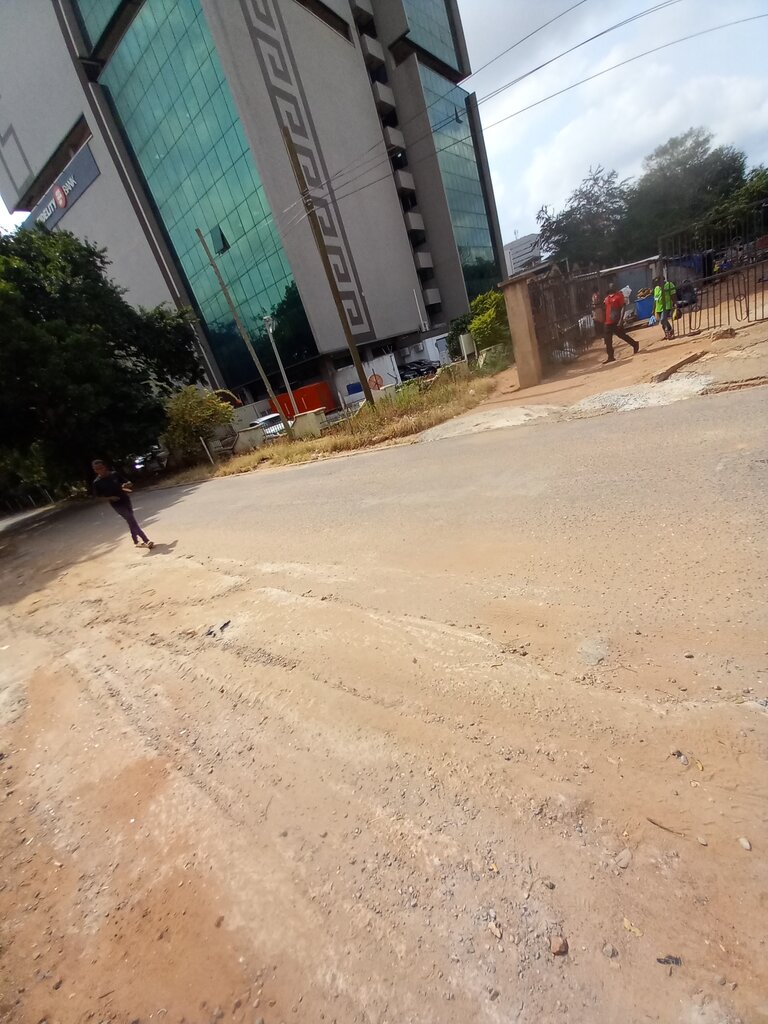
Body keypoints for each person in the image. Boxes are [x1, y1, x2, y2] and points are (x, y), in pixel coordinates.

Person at [92, 459, 154, 549]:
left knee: (131, 520)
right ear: (95, 470)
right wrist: (110, 498)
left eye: (101, 468)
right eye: (97, 469)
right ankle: (146, 540)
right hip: (116, 504)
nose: (100, 470)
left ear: (104, 467)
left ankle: (135, 540)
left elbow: (128, 482)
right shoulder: (97, 482)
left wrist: (127, 484)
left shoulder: (114, 474)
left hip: (125, 499)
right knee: (130, 518)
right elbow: (97, 497)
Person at [602, 281, 639, 364]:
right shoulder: (607, 298)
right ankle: (610, 356)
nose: (611, 287)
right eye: (610, 286)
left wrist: (621, 320)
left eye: (613, 286)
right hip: (607, 322)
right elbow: (605, 308)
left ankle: (635, 344)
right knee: (608, 340)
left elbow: (622, 307)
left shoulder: (619, 296)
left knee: (622, 335)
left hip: (616, 321)